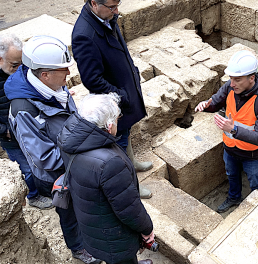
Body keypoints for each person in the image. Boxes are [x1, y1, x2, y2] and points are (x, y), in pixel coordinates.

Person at [5, 35, 101, 264]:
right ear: (44, 74)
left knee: (85, 206)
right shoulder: (24, 110)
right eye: (64, 69)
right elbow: (45, 158)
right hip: (56, 176)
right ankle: (79, 249)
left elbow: (70, 114)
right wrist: (85, 144)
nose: (69, 73)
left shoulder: (52, 86)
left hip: (74, 159)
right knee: (69, 213)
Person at [57, 93, 154, 264]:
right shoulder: (109, 163)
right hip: (112, 234)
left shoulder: (70, 137)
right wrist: (147, 230)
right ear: (109, 126)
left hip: (91, 222)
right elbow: (128, 208)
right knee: (122, 260)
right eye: (117, 118)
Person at [71, 0, 153, 198]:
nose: (117, 11)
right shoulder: (84, 35)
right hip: (115, 100)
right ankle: (131, 183)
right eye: (112, 7)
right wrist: (121, 95)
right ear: (93, 3)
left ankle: (133, 163)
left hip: (124, 91)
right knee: (119, 145)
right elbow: (92, 80)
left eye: (118, 4)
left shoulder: (106, 17)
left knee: (126, 131)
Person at [195, 50, 258, 213]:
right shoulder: (230, 86)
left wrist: (233, 129)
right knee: (231, 175)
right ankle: (234, 197)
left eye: (237, 79)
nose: (232, 83)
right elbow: (216, 102)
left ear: (251, 78)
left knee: (254, 181)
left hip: (252, 154)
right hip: (230, 148)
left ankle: (256, 206)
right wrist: (206, 105)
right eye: (231, 78)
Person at [0, 33, 53, 209]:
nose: (19, 69)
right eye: (14, 65)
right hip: (10, 137)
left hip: (29, 127)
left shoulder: (20, 71)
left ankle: (47, 188)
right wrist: (4, 131)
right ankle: (33, 196)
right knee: (27, 169)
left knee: (41, 161)